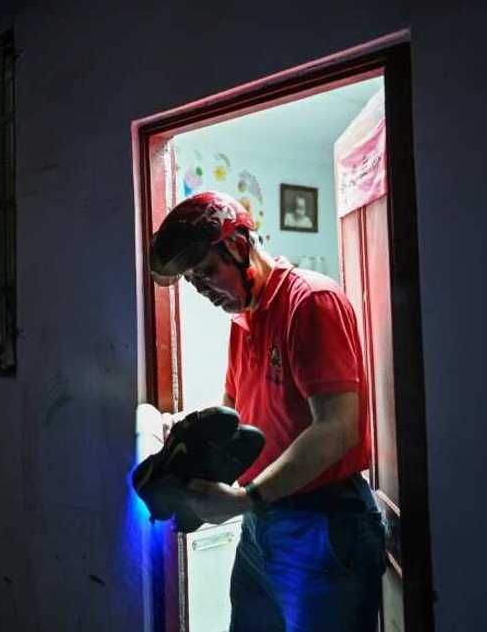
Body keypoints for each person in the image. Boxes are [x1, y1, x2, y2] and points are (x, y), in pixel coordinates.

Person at [150, 191, 384, 632]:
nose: (205, 291)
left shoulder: (310, 301)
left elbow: (337, 429)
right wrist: (184, 437)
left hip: (323, 524)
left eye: (207, 273)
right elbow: (233, 414)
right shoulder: (244, 323)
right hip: (263, 524)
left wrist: (244, 499)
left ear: (239, 247)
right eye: (196, 284)